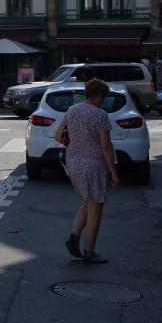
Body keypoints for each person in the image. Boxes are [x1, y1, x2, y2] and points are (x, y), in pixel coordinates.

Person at [54, 78, 119, 264]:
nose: (104, 101)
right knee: (96, 208)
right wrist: (114, 174)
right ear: (98, 96)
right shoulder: (100, 115)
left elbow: (58, 136)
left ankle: (74, 237)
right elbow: (106, 146)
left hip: (73, 163)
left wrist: (77, 144)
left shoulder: (72, 110)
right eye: (104, 97)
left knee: (88, 202)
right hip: (94, 165)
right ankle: (89, 253)